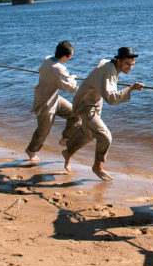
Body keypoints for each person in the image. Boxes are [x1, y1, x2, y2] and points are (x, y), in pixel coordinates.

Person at [62, 47, 144, 180]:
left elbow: (102, 62)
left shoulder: (109, 64)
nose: (130, 67)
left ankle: (67, 152)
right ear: (118, 61)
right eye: (127, 64)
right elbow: (111, 99)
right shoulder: (109, 71)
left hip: (95, 101)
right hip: (85, 104)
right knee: (105, 137)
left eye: (132, 64)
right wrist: (130, 89)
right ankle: (97, 167)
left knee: (89, 134)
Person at [25, 40, 79, 164]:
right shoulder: (59, 69)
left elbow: (55, 77)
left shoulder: (47, 59)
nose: (71, 58)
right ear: (64, 57)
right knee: (43, 131)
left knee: (76, 114)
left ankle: (65, 138)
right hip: (44, 103)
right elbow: (72, 89)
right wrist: (73, 79)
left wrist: (69, 78)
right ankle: (31, 151)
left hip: (54, 98)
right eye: (70, 56)